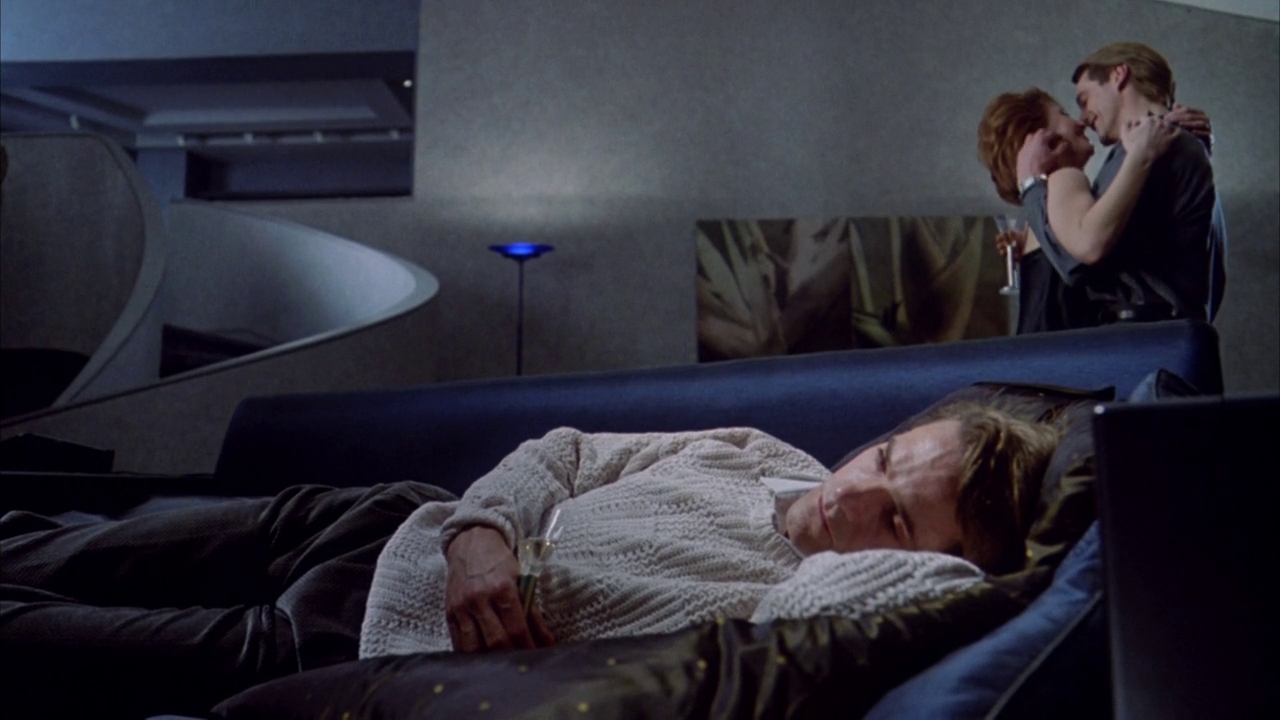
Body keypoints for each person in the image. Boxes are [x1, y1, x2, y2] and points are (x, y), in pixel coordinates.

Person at [2, 403, 1059, 717]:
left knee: (33, 638)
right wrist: (478, 537)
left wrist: (1020, 558)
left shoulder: (801, 606)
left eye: (896, 520)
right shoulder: (760, 452)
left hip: (344, 641)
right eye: (886, 457)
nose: (856, 493)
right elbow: (562, 452)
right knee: (50, 545)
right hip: (383, 524)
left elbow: (944, 593)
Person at [986, 42, 1225, 331]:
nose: (1083, 118)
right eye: (1069, 110)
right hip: (1159, 335)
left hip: (1144, 337)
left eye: (1084, 99)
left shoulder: (1150, 148)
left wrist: (1031, 189)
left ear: (1118, 75)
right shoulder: (1154, 147)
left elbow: (1079, 258)